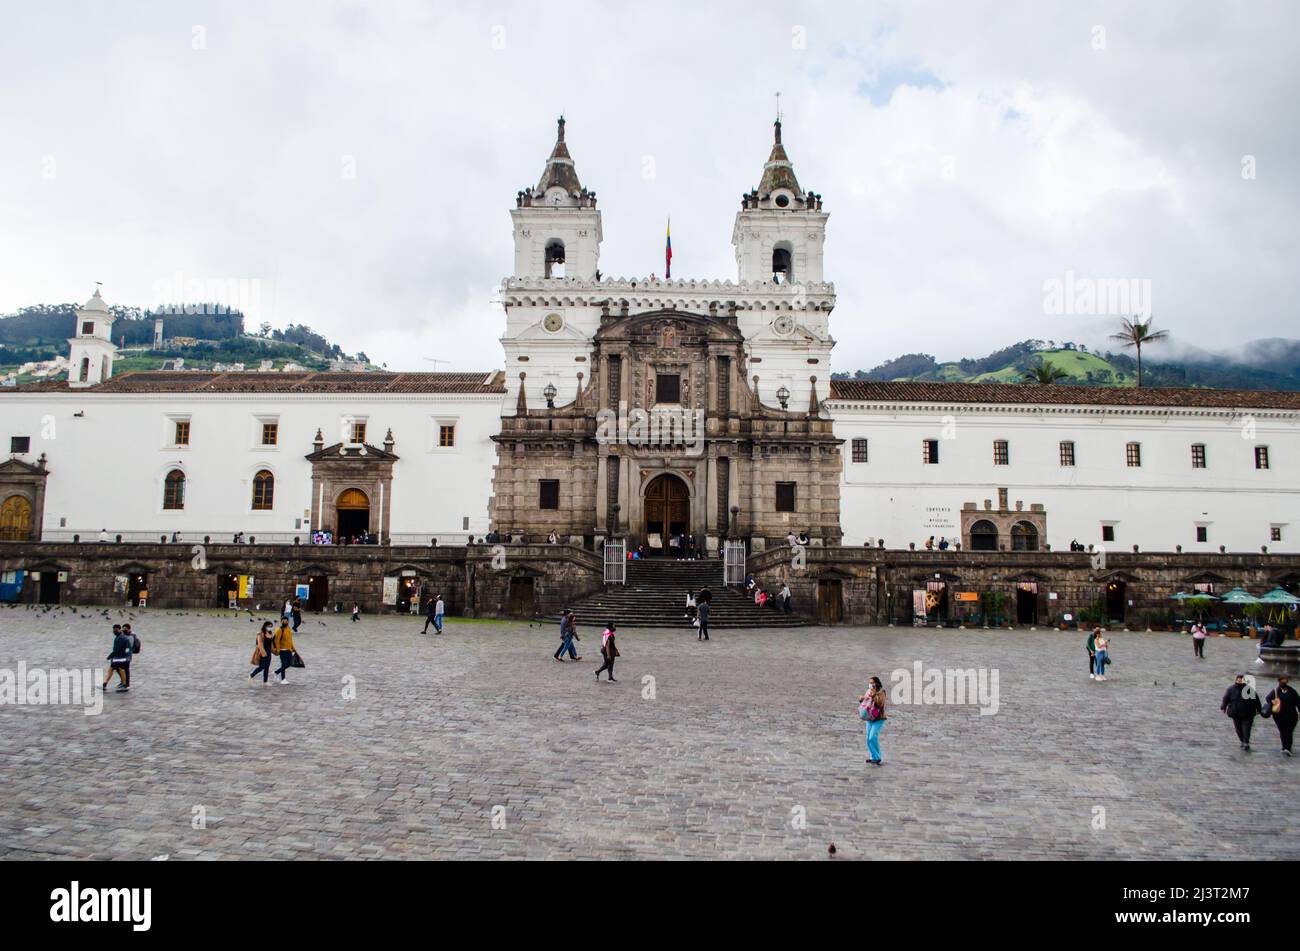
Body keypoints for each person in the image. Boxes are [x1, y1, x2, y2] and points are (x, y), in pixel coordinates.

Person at [1264, 676, 1299, 756]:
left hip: (1291, 717)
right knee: (1282, 732)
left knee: (1289, 732)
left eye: (1285, 681)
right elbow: (1268, 698)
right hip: (1279, 717)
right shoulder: (1275, 691)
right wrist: (1273, 702)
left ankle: (1287, 748)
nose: (1283, 682)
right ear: (1279, 681)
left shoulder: (1292, 691)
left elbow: (1298, 702)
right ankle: (1284, 746)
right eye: (1282, 681)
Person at [858, 676, 887, 765]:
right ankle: (873, 757)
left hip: (878, 718)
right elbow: (866, 703)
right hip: (869, 718)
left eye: (872, 683)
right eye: (870, 683)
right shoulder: (868, 691)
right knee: (868, 739)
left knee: (872, 737)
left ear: (877, 683)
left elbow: (879, 704)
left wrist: (874, 694)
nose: (870, 684)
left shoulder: (881, 692)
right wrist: (862, 699)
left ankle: (877, 757)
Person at [103, 624, 131, 692]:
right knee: (115, 669)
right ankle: (105, 684)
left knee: (118, 670)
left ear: (119, 629)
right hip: (121, 657)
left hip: (120, 658)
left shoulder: (121, 638)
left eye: (115, 629)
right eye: (113, 629)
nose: (114, 631)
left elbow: (117, 649)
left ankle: (123, 685)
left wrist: (109, 656)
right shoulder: (120, 637)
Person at [273, 618, 296, 685]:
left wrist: (293, 648)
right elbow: (276, 641)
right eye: (283, 621)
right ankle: (283, 679)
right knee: (283, 664)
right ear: (281, 622)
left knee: (289, 663)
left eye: (286, 621)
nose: (285, 622)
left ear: (288, 622)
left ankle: (276, 672)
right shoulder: (280, 630)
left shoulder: (288, 629)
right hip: (282, 650)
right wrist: (278, 650)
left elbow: (290, 640)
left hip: (289, 649)